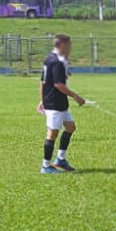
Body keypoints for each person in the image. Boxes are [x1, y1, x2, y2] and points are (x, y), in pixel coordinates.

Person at [39, 34, 87, 174]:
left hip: (58, 102)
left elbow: (43, 81)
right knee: (52, 133)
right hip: (55, 102)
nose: (70, 48)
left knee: (71, 127)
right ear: (63, 45)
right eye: (69, 45)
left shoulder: (49, 59)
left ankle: (60, 159)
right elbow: (58, 84)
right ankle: (46, 166)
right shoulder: (57, 62)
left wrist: (42, 99)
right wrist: (75, 96)